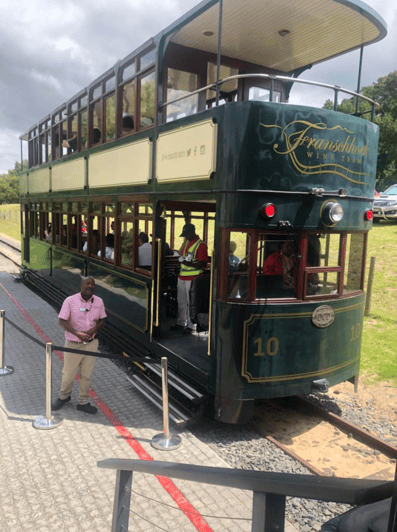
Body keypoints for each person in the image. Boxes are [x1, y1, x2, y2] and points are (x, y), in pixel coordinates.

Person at [52, 277, 107, 414]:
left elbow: (103, 319)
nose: (90, 286)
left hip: (91, 344)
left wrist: (93, 330)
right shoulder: (70, 301)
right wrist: (77, 333)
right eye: (87, 283)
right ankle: (64, 397)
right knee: (68, 374)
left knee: (86, 375)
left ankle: (82, 402)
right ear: (81, 285)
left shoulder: (99, 301)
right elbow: (62, 321)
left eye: (93, 284)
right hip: (73, 344)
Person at [171, 223, 208, 332]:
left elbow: (203, 264)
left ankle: (192, 326)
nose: (185, 237)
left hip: (193, 278)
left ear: (193, 232)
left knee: (191, 302)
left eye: (187, 234)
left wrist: (188, 264)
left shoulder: (201, 245)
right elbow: (181, 254)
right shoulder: (186, 242)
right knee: (181, 301)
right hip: (182, 276)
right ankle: (181, 322)